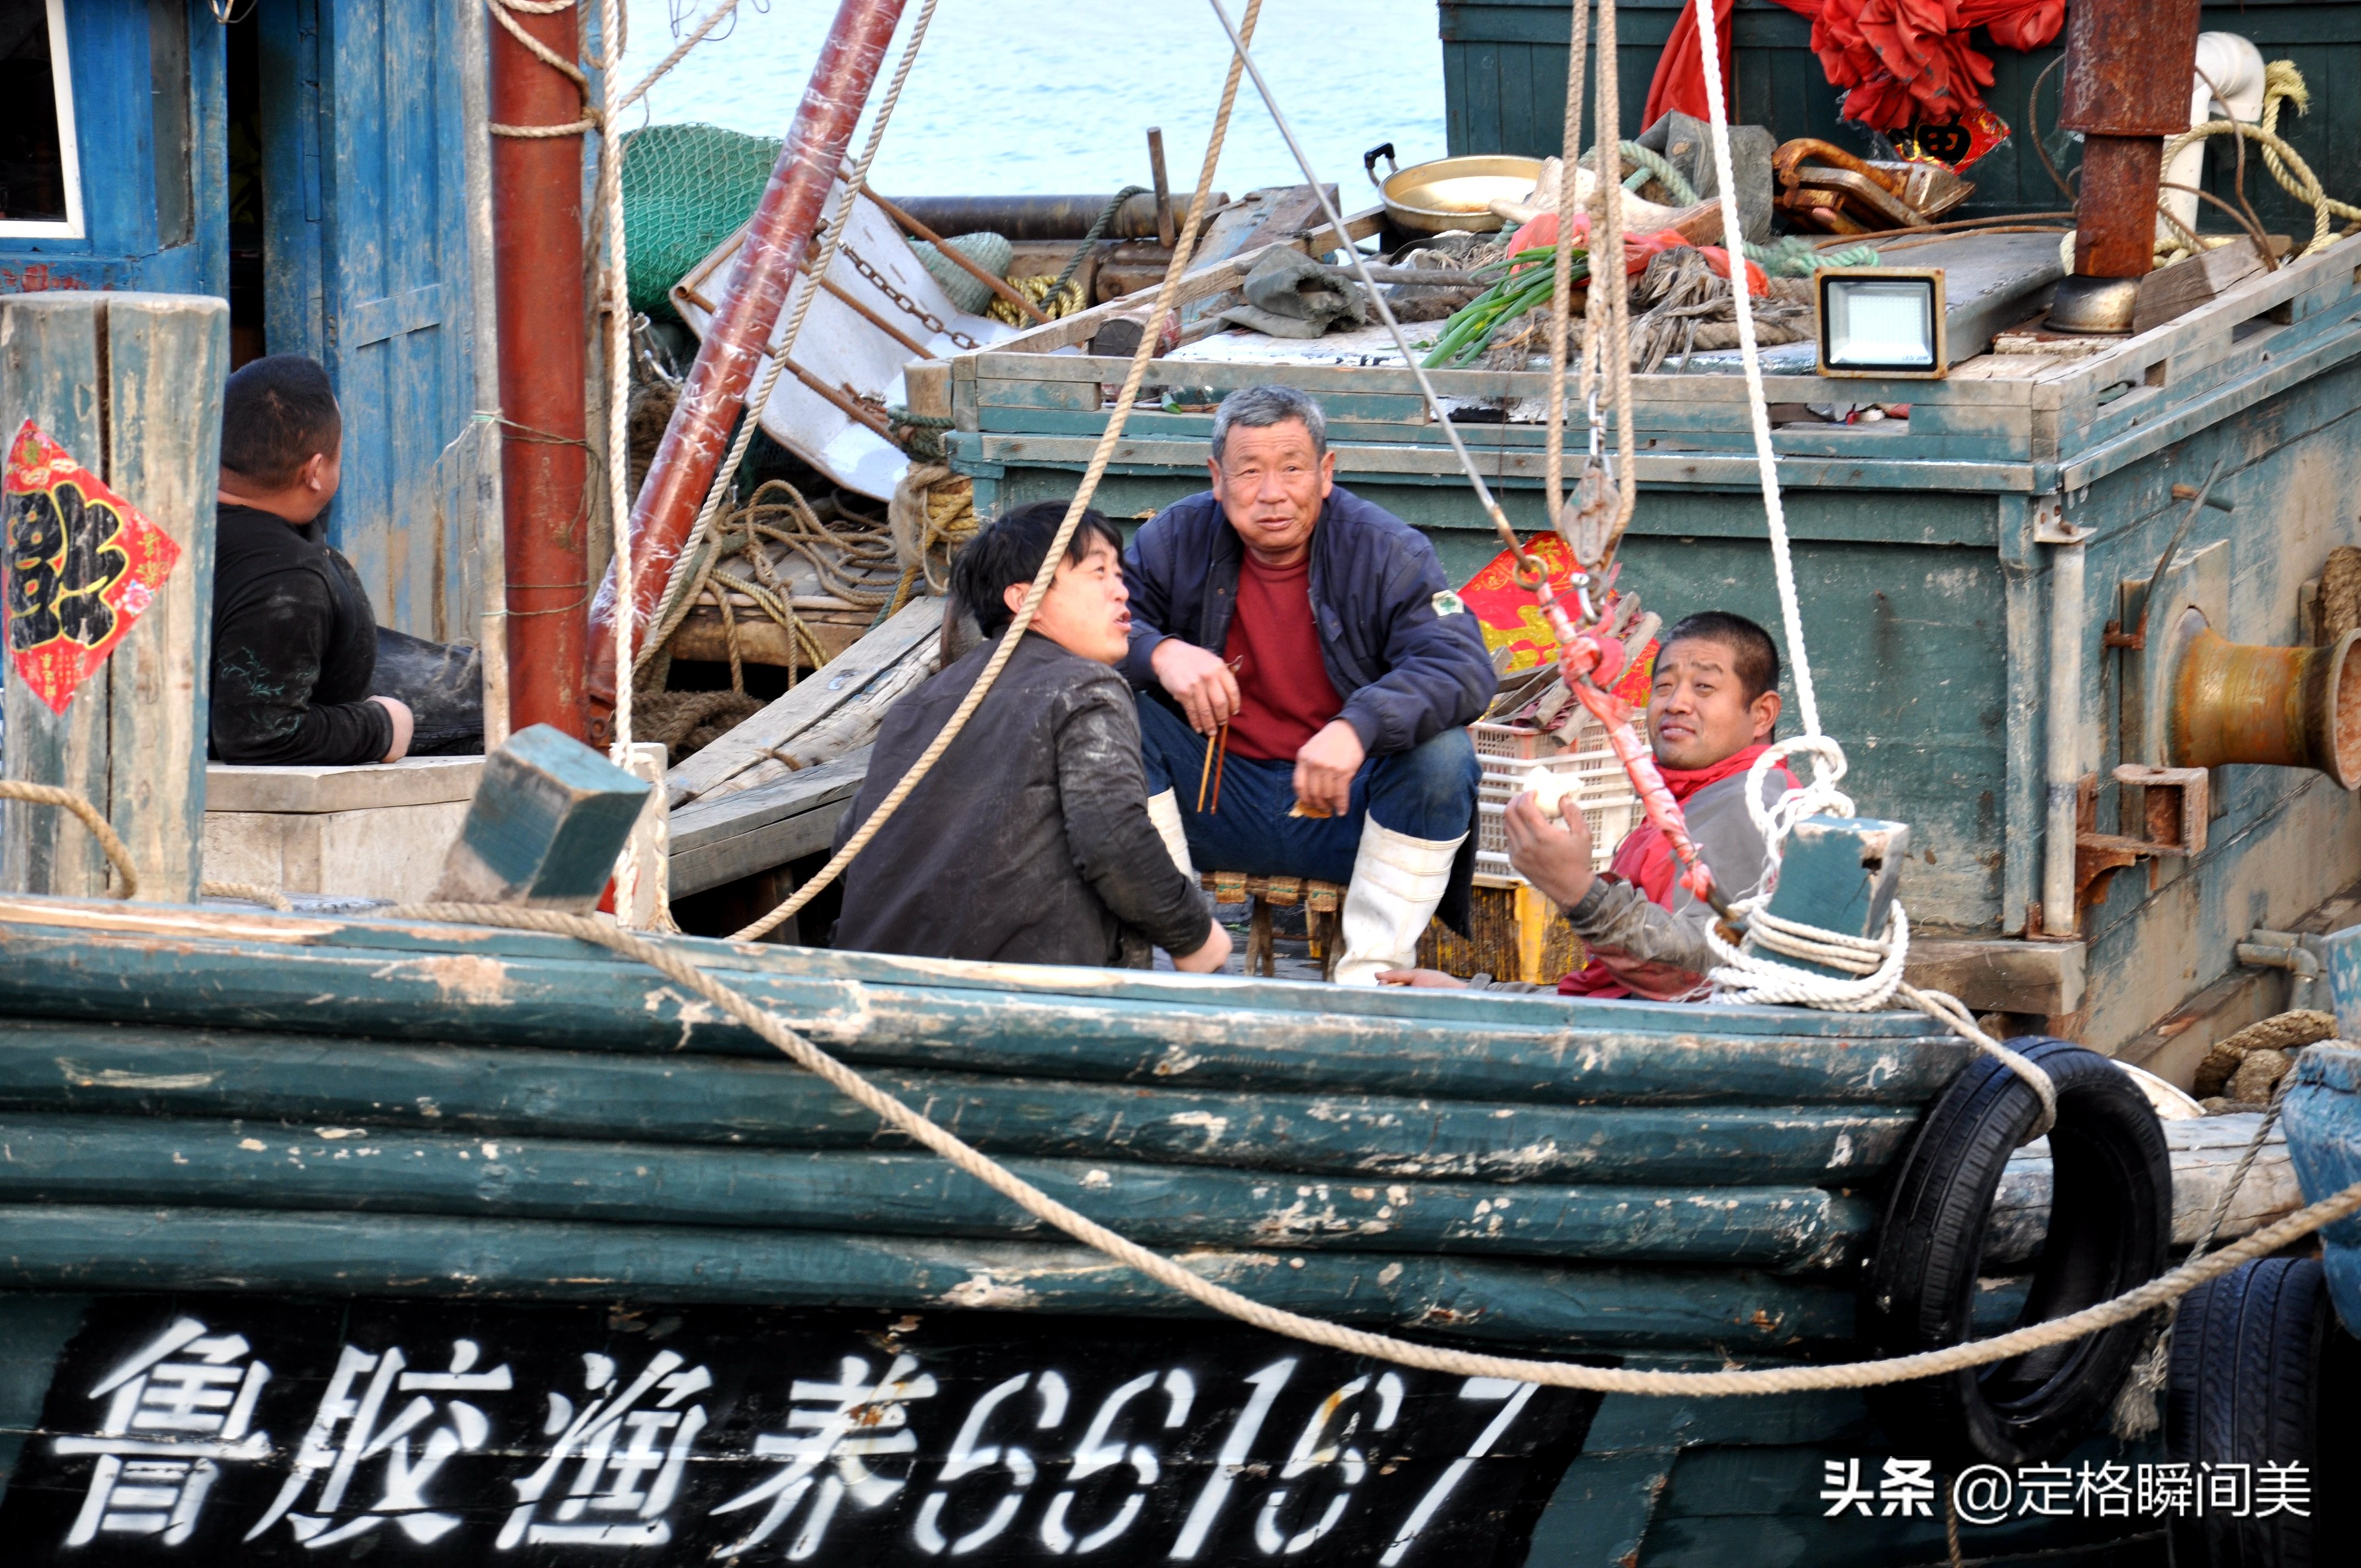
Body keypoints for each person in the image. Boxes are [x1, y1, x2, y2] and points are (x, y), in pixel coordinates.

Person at [1122, 384, 1495, 984]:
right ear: (1217, 478)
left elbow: (1463, 666)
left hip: (1343, 806)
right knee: (1114, 718)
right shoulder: (1172, 539)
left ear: (1325, 472)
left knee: (1444, 754)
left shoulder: (1390, 551)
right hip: (1213, 801)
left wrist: (1358, 727)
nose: (1272, 493)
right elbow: (1100, 626)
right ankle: (1174, 950)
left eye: (1292, 468)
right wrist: (1159, 652)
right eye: (1249, 471)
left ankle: (1373, 977)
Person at [832, 501, 1232, 972]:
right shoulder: (1085, 686)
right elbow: (1114, 841)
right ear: (1025, 601)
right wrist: (1194, 936)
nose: (1121, 593)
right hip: (1020, 1002)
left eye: (1120, 576)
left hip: (871, 987)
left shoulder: (914, 708)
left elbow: (849, 847)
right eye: (1098, 573)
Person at [1383, 611, 1796, 999]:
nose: (1676, 703)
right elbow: (1609, 999)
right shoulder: (1685, 801)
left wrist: (1578, 889)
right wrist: (1471, 995)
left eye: (1704, 687)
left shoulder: (1754, 804)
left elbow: (1695, 978)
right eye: (1664, 686)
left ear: (1762, 715)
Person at [210, 355, 413, 766]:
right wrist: (384, 727)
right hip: (311, 695)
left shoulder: (180, 504)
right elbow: (259, 736)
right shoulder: (284, 584)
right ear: (315, 472)